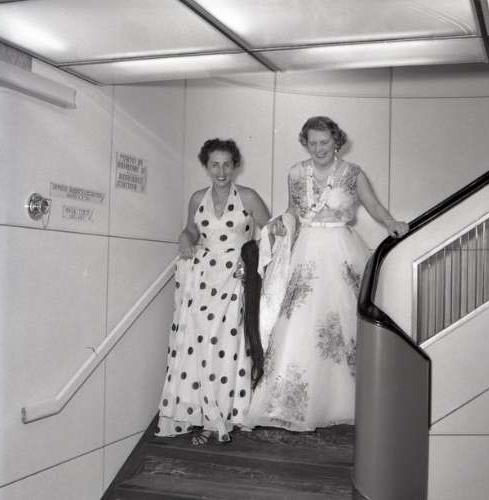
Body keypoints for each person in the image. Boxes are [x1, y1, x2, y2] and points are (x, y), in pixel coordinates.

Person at [245, 116, 408, 431]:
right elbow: (292, 210)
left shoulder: (353, 173)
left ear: (336, 141)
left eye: (325, 142)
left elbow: (373, 206)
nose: (319, 148)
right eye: (313, 143)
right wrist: (282, 223)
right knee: (301, 323)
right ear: (305, 143)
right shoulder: (295, 173)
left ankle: (344, 403)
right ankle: (292, 405)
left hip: (342, 250)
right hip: (307, 251)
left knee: (344, 325)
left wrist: (391, 223)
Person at [156, 138, 270, 444]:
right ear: (206, 166)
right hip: (201, 279)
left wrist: (250, 257)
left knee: (226, 345)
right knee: (198, 344)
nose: (221, 171)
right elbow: (192, 229)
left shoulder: (248, 196)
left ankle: (219, 418)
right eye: (214, 165)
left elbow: (272, 233)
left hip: (235, 278)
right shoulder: (197, 198)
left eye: (227, 164)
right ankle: (203, 414)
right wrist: (184, 237)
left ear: (236, 166)